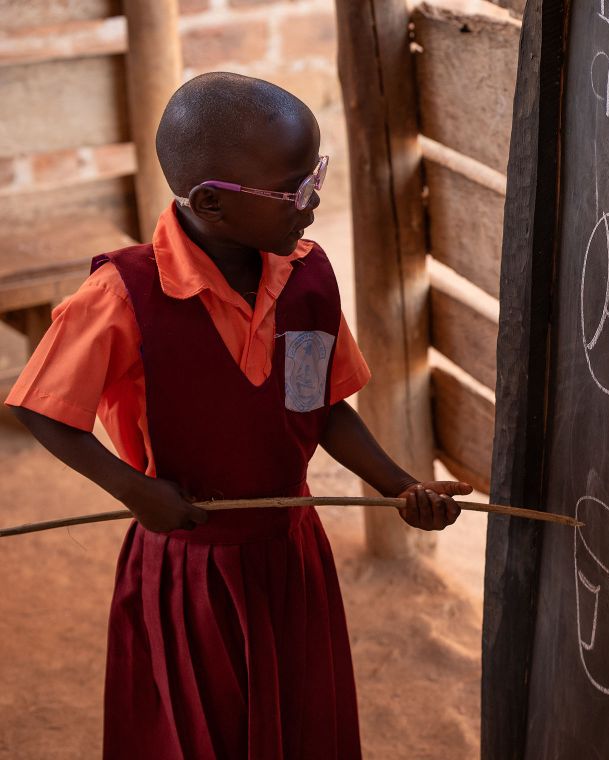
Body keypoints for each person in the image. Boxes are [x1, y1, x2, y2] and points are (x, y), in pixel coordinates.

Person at [4, 71, 470, 759]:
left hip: (290, 554)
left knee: (298, 719)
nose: (312, 206)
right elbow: (42, 408)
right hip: (188, 569)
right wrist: (137, 493)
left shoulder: (306, 278)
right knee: (201, 731)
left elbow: (321, 408)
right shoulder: (123, 295)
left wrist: (398, 484)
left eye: (317, 178)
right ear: (211, 201)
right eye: (295, 191)